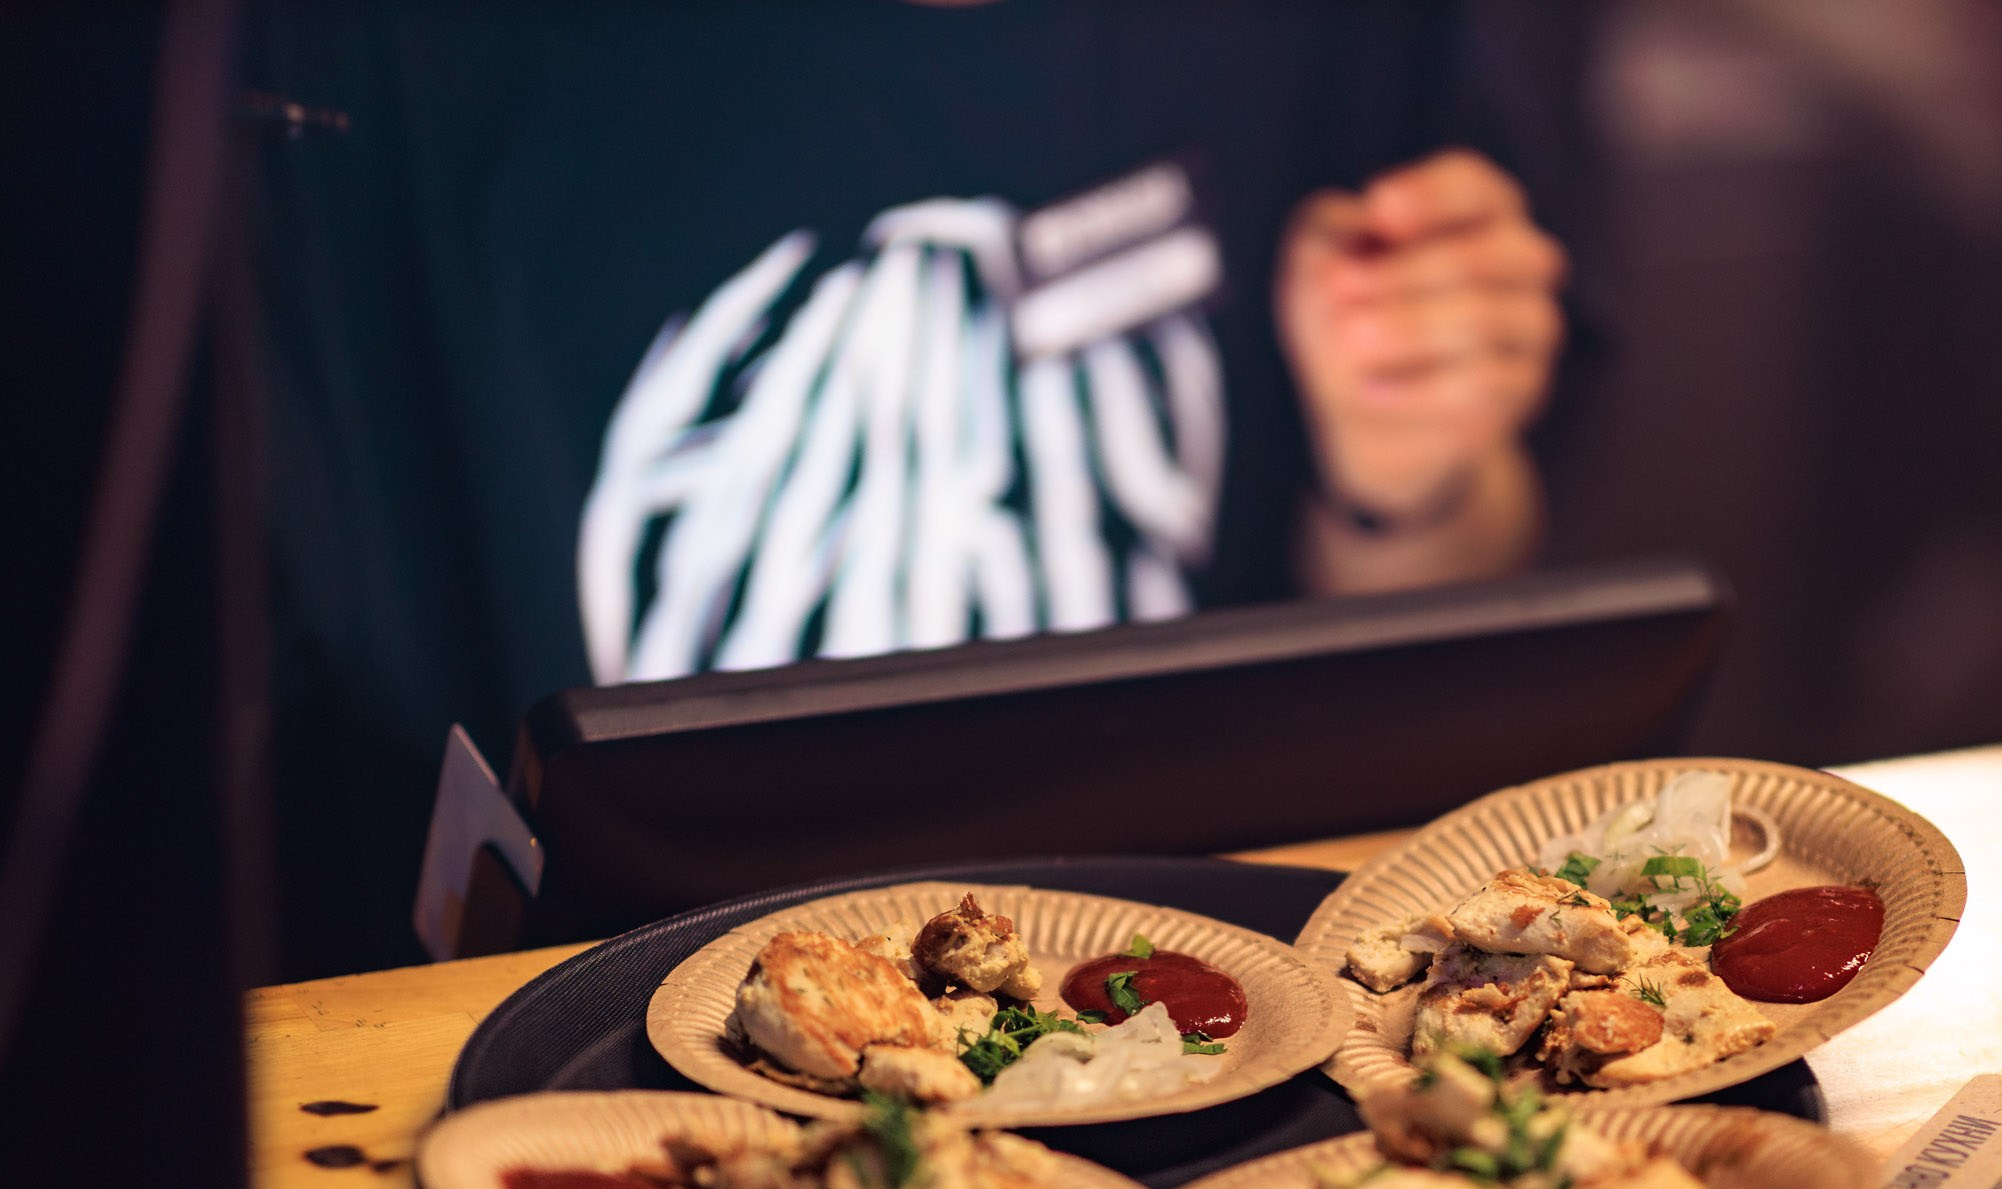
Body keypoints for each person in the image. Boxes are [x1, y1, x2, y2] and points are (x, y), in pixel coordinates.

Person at [248, 0, 1588, 974]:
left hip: (1189, 1023)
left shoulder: (1353, 40)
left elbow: (1443, 620)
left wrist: (1407, 486)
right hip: (578, 1061)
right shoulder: (362, 68)